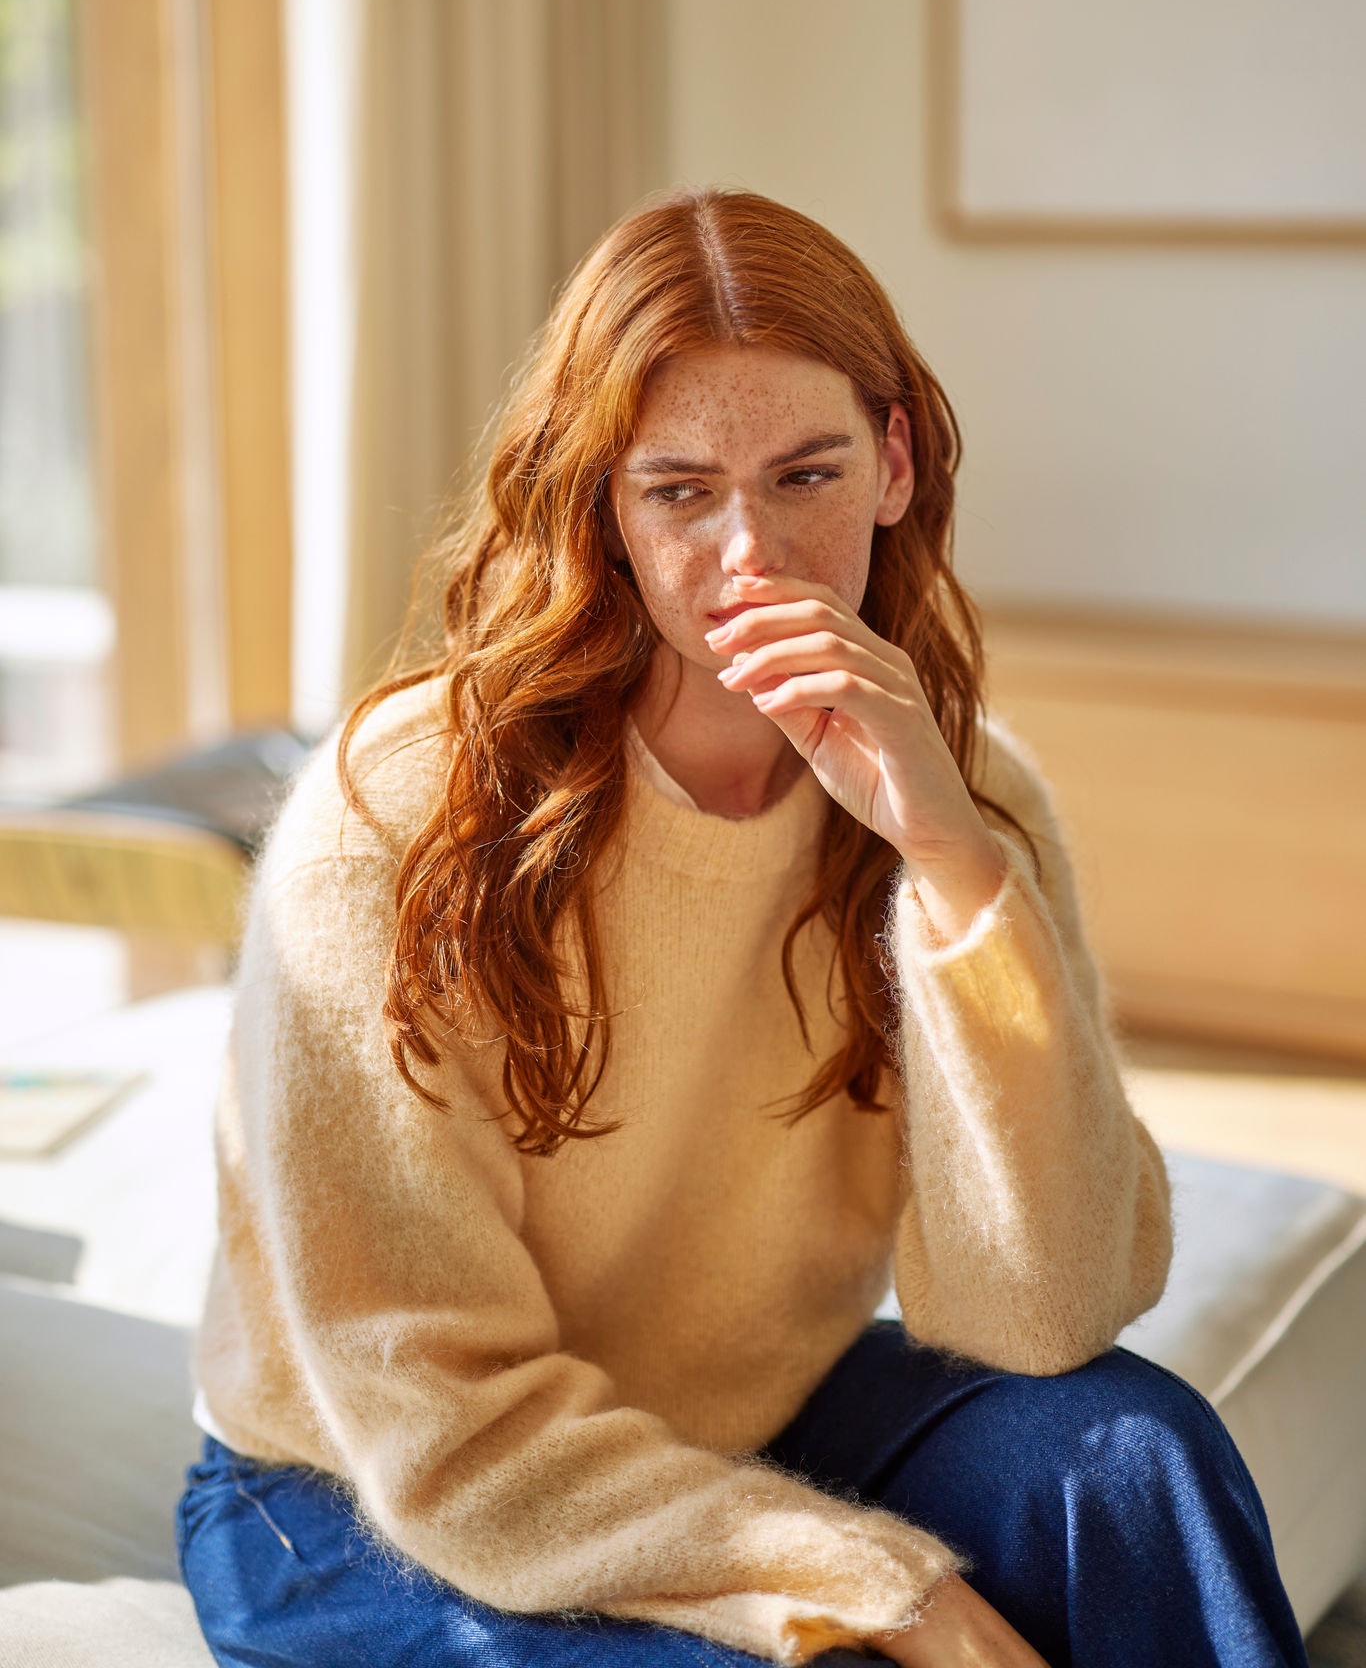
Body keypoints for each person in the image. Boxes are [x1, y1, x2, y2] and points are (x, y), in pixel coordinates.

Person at [178, 190, 1307, 1668]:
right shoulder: (395, 820)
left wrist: (952, 864)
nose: (750, 554)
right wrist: (880, 1587)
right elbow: (438, 1427)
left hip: (751, 1417)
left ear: (893, 463)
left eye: (805, 473)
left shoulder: (967, 790)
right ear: (603, 504)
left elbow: (1045, 1309)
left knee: (1131, 1451)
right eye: (678, 491)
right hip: (352, 1504)